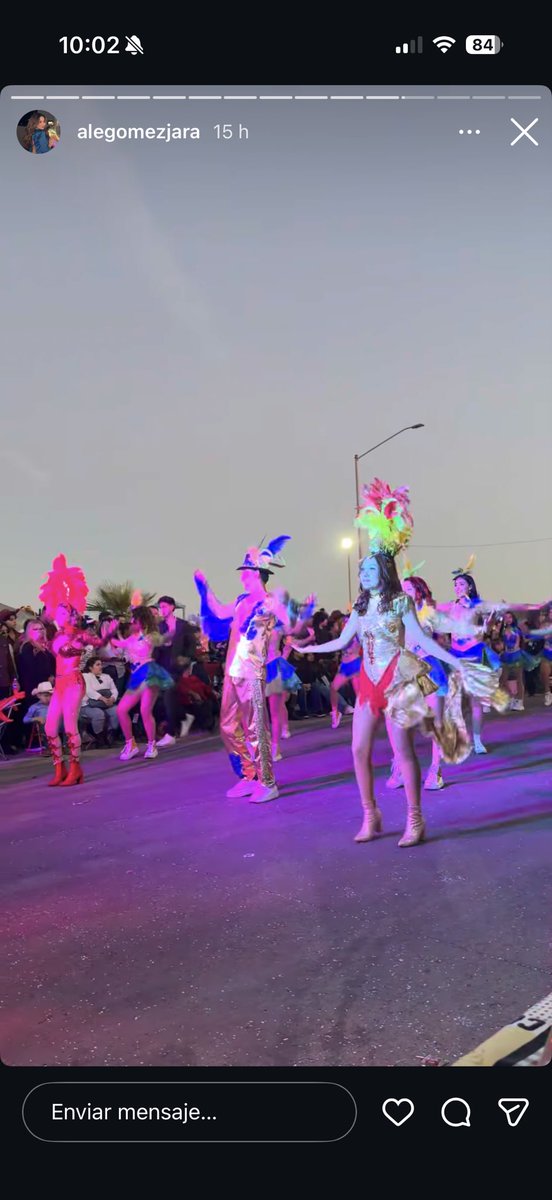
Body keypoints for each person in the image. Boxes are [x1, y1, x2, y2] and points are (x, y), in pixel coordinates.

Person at [296, 479, 506, 847]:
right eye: (362, 571)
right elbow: (345, 640)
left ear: (385, 573)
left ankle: (415, 817)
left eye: (370, 570)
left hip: (398, 681)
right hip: (368, 682)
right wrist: (311, 649)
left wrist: (453, 661)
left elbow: (423, 640)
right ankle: (370, 813)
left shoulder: (400, 603)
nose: (364, 575)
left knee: (402, 750)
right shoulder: (361, 606)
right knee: (358, 750)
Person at [194, 536, 292, 803]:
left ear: (258, 574)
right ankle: (248, 776)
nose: (242, 577)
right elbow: (218, 610)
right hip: (232, 672)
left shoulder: (271, 602)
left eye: (246, 572)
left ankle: (268, 781)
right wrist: (204, 588)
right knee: (227, 727)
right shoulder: (240, 600)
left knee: (255, 729)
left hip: (253, 672)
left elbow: (289, 623)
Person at [39, 554, 107, 787]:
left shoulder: (78, 634)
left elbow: (96, 643)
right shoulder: (56, 636)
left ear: (71, 614)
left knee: (69, 727)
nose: (58, 615)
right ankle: (60, 768)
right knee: (49, 728)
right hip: (59, 684)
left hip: (74, 683)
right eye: (56, 612)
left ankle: (76, 768)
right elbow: (52, 652)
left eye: (63, 612)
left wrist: (106, 634)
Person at [111, 607, 174, 762]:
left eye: (134, 618)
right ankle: (130, 744)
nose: (131, 621)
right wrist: (109, 632)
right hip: (135, 675)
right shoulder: (132, 636)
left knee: (145, 710)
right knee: (121, 710)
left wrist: (170, 631)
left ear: (141, 620)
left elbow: (163, 641)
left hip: (149, 673)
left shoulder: (150, 635)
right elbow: (118, 644)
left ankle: (151, 745)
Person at [155, 596, 198, 748]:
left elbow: (192, 646)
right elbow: (155, 647)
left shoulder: (183, 625)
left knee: (168, 695)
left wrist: (186, 660)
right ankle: (184, 716)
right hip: (162, 665)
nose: (162, 610)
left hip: (177, 666)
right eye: (160, 607)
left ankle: (170, 733)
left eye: (165, 606)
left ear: (173, 607)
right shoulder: (159, 627)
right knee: (168, 698)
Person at [81, 657, 120, 744]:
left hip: (106, 703)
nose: (101, 667)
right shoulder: (85, 676)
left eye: (101, 664)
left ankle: (110, 735)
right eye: (98, 665)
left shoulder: (106, 676)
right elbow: (88, 690)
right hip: (89, 704)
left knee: (116, 711)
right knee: (99, 714)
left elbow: (114, 689)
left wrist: (112, 698)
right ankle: (100, 738)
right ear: (91, 667)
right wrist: (102, 698)